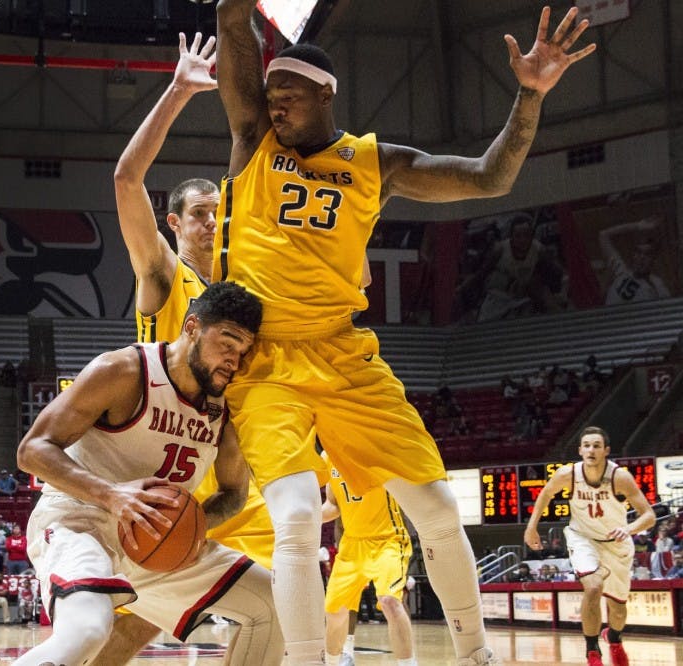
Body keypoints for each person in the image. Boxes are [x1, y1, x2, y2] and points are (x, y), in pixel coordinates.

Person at [213, 3, 594, 663]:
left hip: (343, 352)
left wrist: (529, 96)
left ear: (326, 93)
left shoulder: (374, 163)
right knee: (299, 518)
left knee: (440, 511)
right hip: (267, 360)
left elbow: (489, 177)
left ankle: (475, 653)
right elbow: (229, 21)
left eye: (290, 96)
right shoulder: (254, 141)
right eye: (271, 96)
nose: (276, 107)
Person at [94, 32, 279, 666]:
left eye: (217, 212)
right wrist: (177, 92)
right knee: (124, 624)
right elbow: (126, 181)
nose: (211, 220)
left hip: (224, 465)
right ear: (174, 223)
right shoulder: (166, 276)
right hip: (149, 463)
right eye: (199, 213)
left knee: (286, 603)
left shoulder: (242, 295)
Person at [11, 282, 282, 666]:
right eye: (227, 342)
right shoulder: (123, 371)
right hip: (80, 520)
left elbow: (234, 493)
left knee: (274, 603)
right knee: (87, 629)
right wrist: (113, 495)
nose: (233, 360)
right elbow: (32, 450)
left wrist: (184, 526)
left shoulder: (226, 409)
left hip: (153, 540)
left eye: (242, 351)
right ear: (192, 327)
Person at [524, 426, 655, 666]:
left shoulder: (620, 477)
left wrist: (628, 529)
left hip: (616, 543)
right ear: (580, 450)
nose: (591, 450)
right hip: (582, 537)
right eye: (586, 445)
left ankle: (614, 638)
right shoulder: (568, 474)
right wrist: (531, 527)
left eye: (596, 446)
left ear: (606, 451)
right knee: (593, 586)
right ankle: (592, 651)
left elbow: (649, 516)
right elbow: (545, 494)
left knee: (618, 610)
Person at [321, 453, 416, 666]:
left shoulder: (372, 441)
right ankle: (332, 661)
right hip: (352, 544)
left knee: (390, 601)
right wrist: (308, 516)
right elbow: (333, 504)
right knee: (334, 611)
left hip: (388, 539)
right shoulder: (328, 456)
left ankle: (408, 663)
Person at [600, 217, 670, 305]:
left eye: (647, 254)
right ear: (633, 255)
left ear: (654, 259)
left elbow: (666, 310)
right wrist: (639, 226)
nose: (642, 257)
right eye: (638, 252)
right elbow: (604, 235)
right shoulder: (620, 271)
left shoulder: (657, 285)